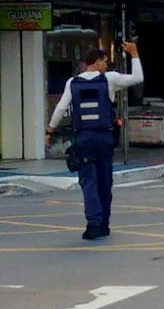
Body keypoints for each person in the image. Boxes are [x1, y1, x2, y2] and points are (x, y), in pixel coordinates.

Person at [46, 42, 143, 240]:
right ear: (97, 62)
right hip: (105, 137)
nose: (107, 66)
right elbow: (138, 78)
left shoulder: (72, 82)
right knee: (105, 181)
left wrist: (50, 131)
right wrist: (134, 54)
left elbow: (60, 109)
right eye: (105, 62)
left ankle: (93, 224)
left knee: (88, 182)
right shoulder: (109, 79)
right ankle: (104, 223)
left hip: (83, 138)